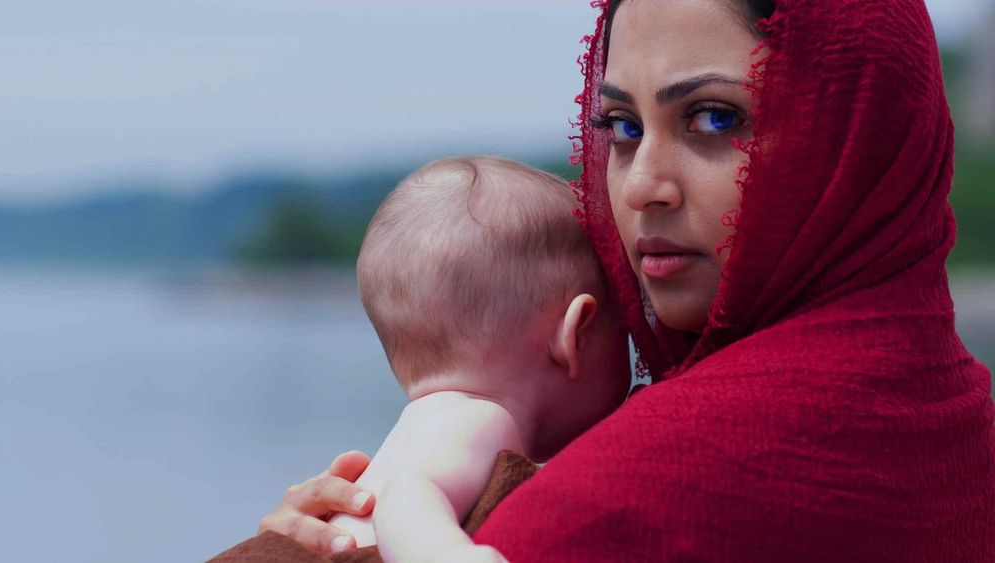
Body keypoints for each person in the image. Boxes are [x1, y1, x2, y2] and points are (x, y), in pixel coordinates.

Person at [252, 0, 995, 560]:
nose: (643, 187)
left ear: (857, 131)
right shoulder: (963, 426)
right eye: (623, 127)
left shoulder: (621, 502)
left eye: (712, 118)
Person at [319, 157, 629, 561]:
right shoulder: (479, 419)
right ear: (575, 334)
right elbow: (407, 498)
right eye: (626, 329)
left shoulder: (424, 426)